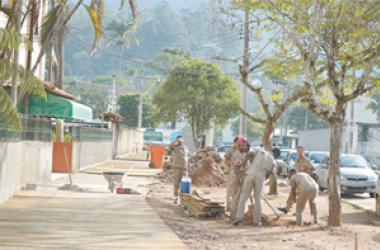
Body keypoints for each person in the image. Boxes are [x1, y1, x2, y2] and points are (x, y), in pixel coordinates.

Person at [233, 150, 276, 226]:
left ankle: (238, 218)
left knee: (243, 197)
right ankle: (256, 221)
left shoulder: (260, 151)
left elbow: (249, 153)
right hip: (260, 177)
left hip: (250, 174)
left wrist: (243, 165)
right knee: (258, 199)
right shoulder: (273, 161)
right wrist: (265, 177)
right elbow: (270, 172)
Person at [229, 137, 249, 220]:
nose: (244, 147)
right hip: (237, 178)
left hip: (242, 177)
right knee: (236, 198)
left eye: (245, 145)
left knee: (239, 198)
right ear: (238, 146)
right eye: (242, 146)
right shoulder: (237, 155)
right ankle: (233, 217)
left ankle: (237, 216)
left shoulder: (243, 154)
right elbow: (236, 168)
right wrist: (238, 178)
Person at [169, 135, 188, 204]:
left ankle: (183, 199)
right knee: (176, 184)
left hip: (185, 169)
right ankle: (176, 198)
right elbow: (170, 146)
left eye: (181, 139)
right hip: (177, 168)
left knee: (184, 184)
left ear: (183, 140)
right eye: (178, 139)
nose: (180, 140)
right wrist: (176, 141)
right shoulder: (175, 147)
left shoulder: (186, 148)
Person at [224, 137, 239, 212]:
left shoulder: (240, 150)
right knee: (230, 190)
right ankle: (228, 206)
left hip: (237, 174)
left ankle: (234, 206)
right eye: (238, 142)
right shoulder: (230, 150)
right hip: (229, 172)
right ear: (235, 142)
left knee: (236, 190)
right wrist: (233, 166)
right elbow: (226, 160)